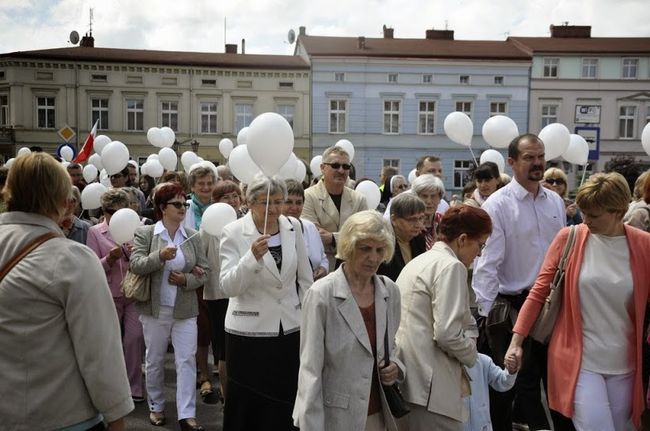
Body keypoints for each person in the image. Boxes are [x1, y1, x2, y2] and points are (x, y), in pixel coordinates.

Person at [506, 172, 650, 430]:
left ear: (619, 211)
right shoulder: (569, 238)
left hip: (627, 363)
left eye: (594, 215)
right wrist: (517, 341)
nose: (586, 220)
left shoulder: (644, 245)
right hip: (578, 360)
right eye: (583, 212)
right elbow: (539, 292)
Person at [0, 153, 133, 430]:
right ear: (63, 201)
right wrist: (116, 416)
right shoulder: (72, 259)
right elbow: (100, 352)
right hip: (60, 415)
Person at [471, 134, 566, 431]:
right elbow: (486, 264)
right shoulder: (498, 205)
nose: (537, 163)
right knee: (516, 383)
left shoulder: (555, 201)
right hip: (513, 306)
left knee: (553, 379)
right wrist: (486, 316)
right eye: (529, 158)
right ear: (511, 162)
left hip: (552, 306)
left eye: (541, 157)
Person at [293, 210, 404, 431]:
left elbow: (392, 344)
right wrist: (311, 424)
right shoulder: (321, 294)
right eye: (365, 249)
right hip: (335, 417)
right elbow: (310, 367)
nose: (373, 257)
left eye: (379, 250)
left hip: (380, 412)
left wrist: (396, 366)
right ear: (348, 247)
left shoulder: (389, 290)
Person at [219, 174, 313, 430]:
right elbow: (227, 286)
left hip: (289, 329)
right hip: (249, 334)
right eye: (266, 203)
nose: (275, 209)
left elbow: (305, 280)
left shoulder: (293, 227)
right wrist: (251, 259)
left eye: (279, 202)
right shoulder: (234, 231)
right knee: (249, 407)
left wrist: (308, 318)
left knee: (286, 400)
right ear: (250, 202)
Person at [395, 205, 491, 430]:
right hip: (432, 388)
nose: (479, 254)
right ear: (463, 239)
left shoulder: (420, 261)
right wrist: (471, 353)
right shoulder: (451, 266)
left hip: (410, 381)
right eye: (481, 245)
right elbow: (448, 333)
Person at [129, 182, 210, 431]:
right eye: (177, 204)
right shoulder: (146, 233)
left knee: (186, 360)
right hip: (154, 309)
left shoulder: (193, 236)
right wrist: (159, 257)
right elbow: (136, 264)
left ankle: (187, 415)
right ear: (162, 208)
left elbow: (205, 271)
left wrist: (187, 279)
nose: (182, 208)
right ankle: (156, 406)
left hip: (185, 310)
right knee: (154, 360)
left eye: (185, 203)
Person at [86, 188, 145, 403]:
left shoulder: (136, 229)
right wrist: (110, 259)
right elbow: (92, 267)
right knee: (110, 342)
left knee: (134, 338)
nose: (115, 215)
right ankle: (109, 388)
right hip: (108, 294)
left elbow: (142, 261)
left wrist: (130, 254)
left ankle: (134, 386)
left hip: (133, 293)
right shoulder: (94, 232)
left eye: (121, 210)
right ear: (104, 211)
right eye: (111, 211)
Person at [199, 179, 245, 403]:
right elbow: (203, 260)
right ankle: (227, 398)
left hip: (244, 293)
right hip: (218, 295)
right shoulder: (209, 226)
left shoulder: (248, 222)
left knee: (243, 349)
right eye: (226, 197)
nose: (233, 200)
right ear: (216, 202)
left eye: (235, 195)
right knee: (224, 350)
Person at [184, 166, 219, 404]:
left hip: (218, 272)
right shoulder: (186, 209)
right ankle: (203, 375)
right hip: (195, 274)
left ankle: (220, 368)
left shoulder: (220, 208)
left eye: (209, 183)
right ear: (193, 186)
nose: (206, 188)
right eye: (201, 184)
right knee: (201, 327)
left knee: (219, 324)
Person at [302, 146, 368, 271]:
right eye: (335, 166)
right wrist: (349, 237)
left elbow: (364, 235)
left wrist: (332, 238)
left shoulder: (359, 199)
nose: (341, 171)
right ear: (322, 168)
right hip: (320, 269)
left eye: (346, 166)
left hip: (353, 268)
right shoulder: (308, 196)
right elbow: (312, 236)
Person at [283, 179, 329, 281]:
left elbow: (323, 258)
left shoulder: (311, 227)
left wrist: (323, 268)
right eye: (289, 202)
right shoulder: (272, 230)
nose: (294, 207)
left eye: (299, 202)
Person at [378, 192, 427, 281]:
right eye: (412, 220)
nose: (418, 225)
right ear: (394, 220)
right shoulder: (383, 244)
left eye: (421, 218)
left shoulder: (419, 239)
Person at [464, 352, 518, 431]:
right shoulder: (445, 362)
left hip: (481, 425)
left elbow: (502, 381)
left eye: (474, 338)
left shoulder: (483, 360)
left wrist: (510, 370)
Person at [410, 174, 445, 250]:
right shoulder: (409, 224)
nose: (429, 201)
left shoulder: (445, 222)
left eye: (433, 196)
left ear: (440, 199)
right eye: (424, 196)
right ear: (415, 198)